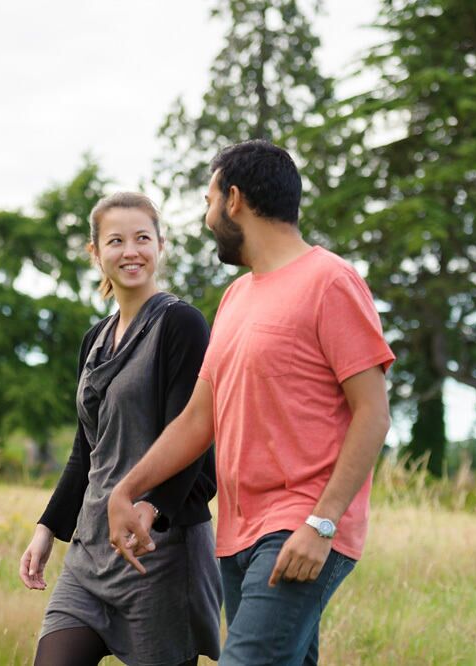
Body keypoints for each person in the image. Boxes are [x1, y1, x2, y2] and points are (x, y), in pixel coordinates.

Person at [107, 140, 395, 666]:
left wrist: (322, 523)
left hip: (299, 526)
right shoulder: (237, 297)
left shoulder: (331, 281)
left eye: (210, 200)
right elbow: (198, 418)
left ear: (234, 199)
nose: (207, 216)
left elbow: (373, 414)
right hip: (237, 536)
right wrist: (127, 487)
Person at [18, 192, 222, 666]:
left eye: (142, 238)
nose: (131, 251)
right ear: (95, 253)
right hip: (91, 553)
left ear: (161, 245)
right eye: (116, 241)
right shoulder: (95, 339)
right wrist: (49, 528)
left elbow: (191, 436)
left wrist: (152, 506)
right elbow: (86, 450)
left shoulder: (181, 324)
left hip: (158, 552)